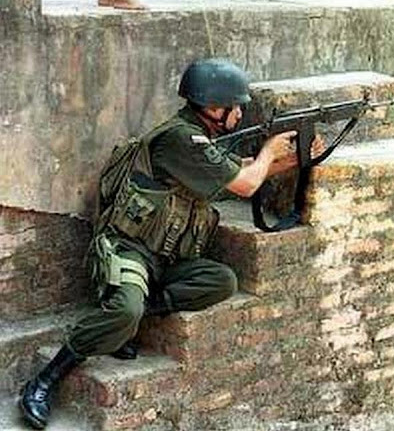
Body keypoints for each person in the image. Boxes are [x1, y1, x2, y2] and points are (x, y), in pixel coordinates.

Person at [19, 58, 321, 430]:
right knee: (124, 310)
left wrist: (297, 158)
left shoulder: (200, 138)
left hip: (166, 257)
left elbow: (240, 173)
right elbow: (245, 184)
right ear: (214, 108)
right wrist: (269, 153)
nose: (240, 113)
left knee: (221, 281)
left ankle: (134, 316)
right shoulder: (180, 139)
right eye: (235, 106)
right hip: (129, 248)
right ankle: (44, 381)